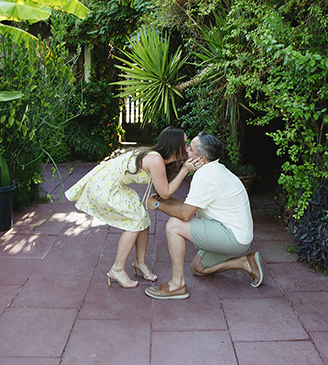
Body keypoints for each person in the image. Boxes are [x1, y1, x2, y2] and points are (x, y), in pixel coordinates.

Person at [66, 127, 197, 288]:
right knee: (134, 221)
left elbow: (162, 191)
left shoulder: (159, 159)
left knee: (141, 217)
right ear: (174, 144)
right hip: (106, 185)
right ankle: (117, 269)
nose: (187, 147)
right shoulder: (156, 160)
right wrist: (184, 170)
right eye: (184, 144)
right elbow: (166, 193)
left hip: (112, 182)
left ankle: (140, 263)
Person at [144, 133, 263, 300]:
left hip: (232, 236)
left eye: (190, 149)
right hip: (238, 236)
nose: (185, 150)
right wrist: (168, 200)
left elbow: (185, 214)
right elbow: (189, 206)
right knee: (198, 268)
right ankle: (245, 263)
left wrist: (157, 205)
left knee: (174, 226)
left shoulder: (206, 176)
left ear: (201, 159)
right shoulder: (214, 169)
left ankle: (176, 285)